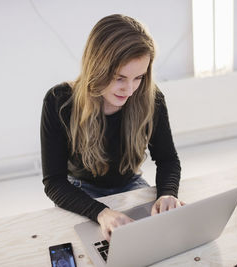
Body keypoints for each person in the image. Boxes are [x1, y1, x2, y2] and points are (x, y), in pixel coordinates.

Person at [40, 14, 184, 241]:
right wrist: (101, 213)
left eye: (139, 77)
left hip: (130, 183)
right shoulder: (59, 101)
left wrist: (167, 194)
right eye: (119, 78)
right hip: (80, 190)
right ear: (96, 67)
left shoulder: (151, 98)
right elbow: (54, 182)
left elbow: (167, 159)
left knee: (164, 239)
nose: (129, 89)